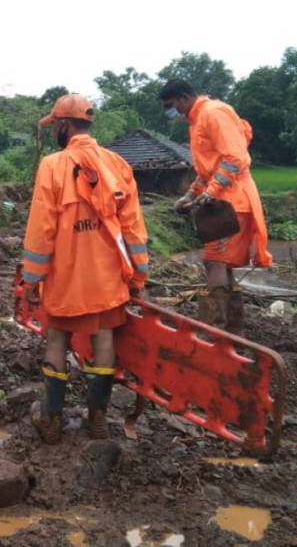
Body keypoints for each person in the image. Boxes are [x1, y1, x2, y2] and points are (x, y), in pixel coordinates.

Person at [20, 94, 150, 443]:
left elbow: (41, 228)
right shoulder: (118, 165)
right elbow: (134, 228)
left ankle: (50, 421)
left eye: (55, 127)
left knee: (57, 339)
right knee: (103, 336)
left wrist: (31, 279)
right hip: (108, 277)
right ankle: (97, 417)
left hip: (65, 277)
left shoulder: (52, 166)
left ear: (63, 125)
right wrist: (139, 275)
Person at [159, 79, 273, 334]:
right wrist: (190, 196)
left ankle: (214, 331)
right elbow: (208, 169)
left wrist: (209, 194)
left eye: (170, 105)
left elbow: (234, 159)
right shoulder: (198, 120)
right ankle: (233, 331)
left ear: (183, 98)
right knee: (223, 267)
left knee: (214, 263)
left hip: (232, 202)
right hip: (225, 200)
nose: (170, 111)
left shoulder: (214, 113)